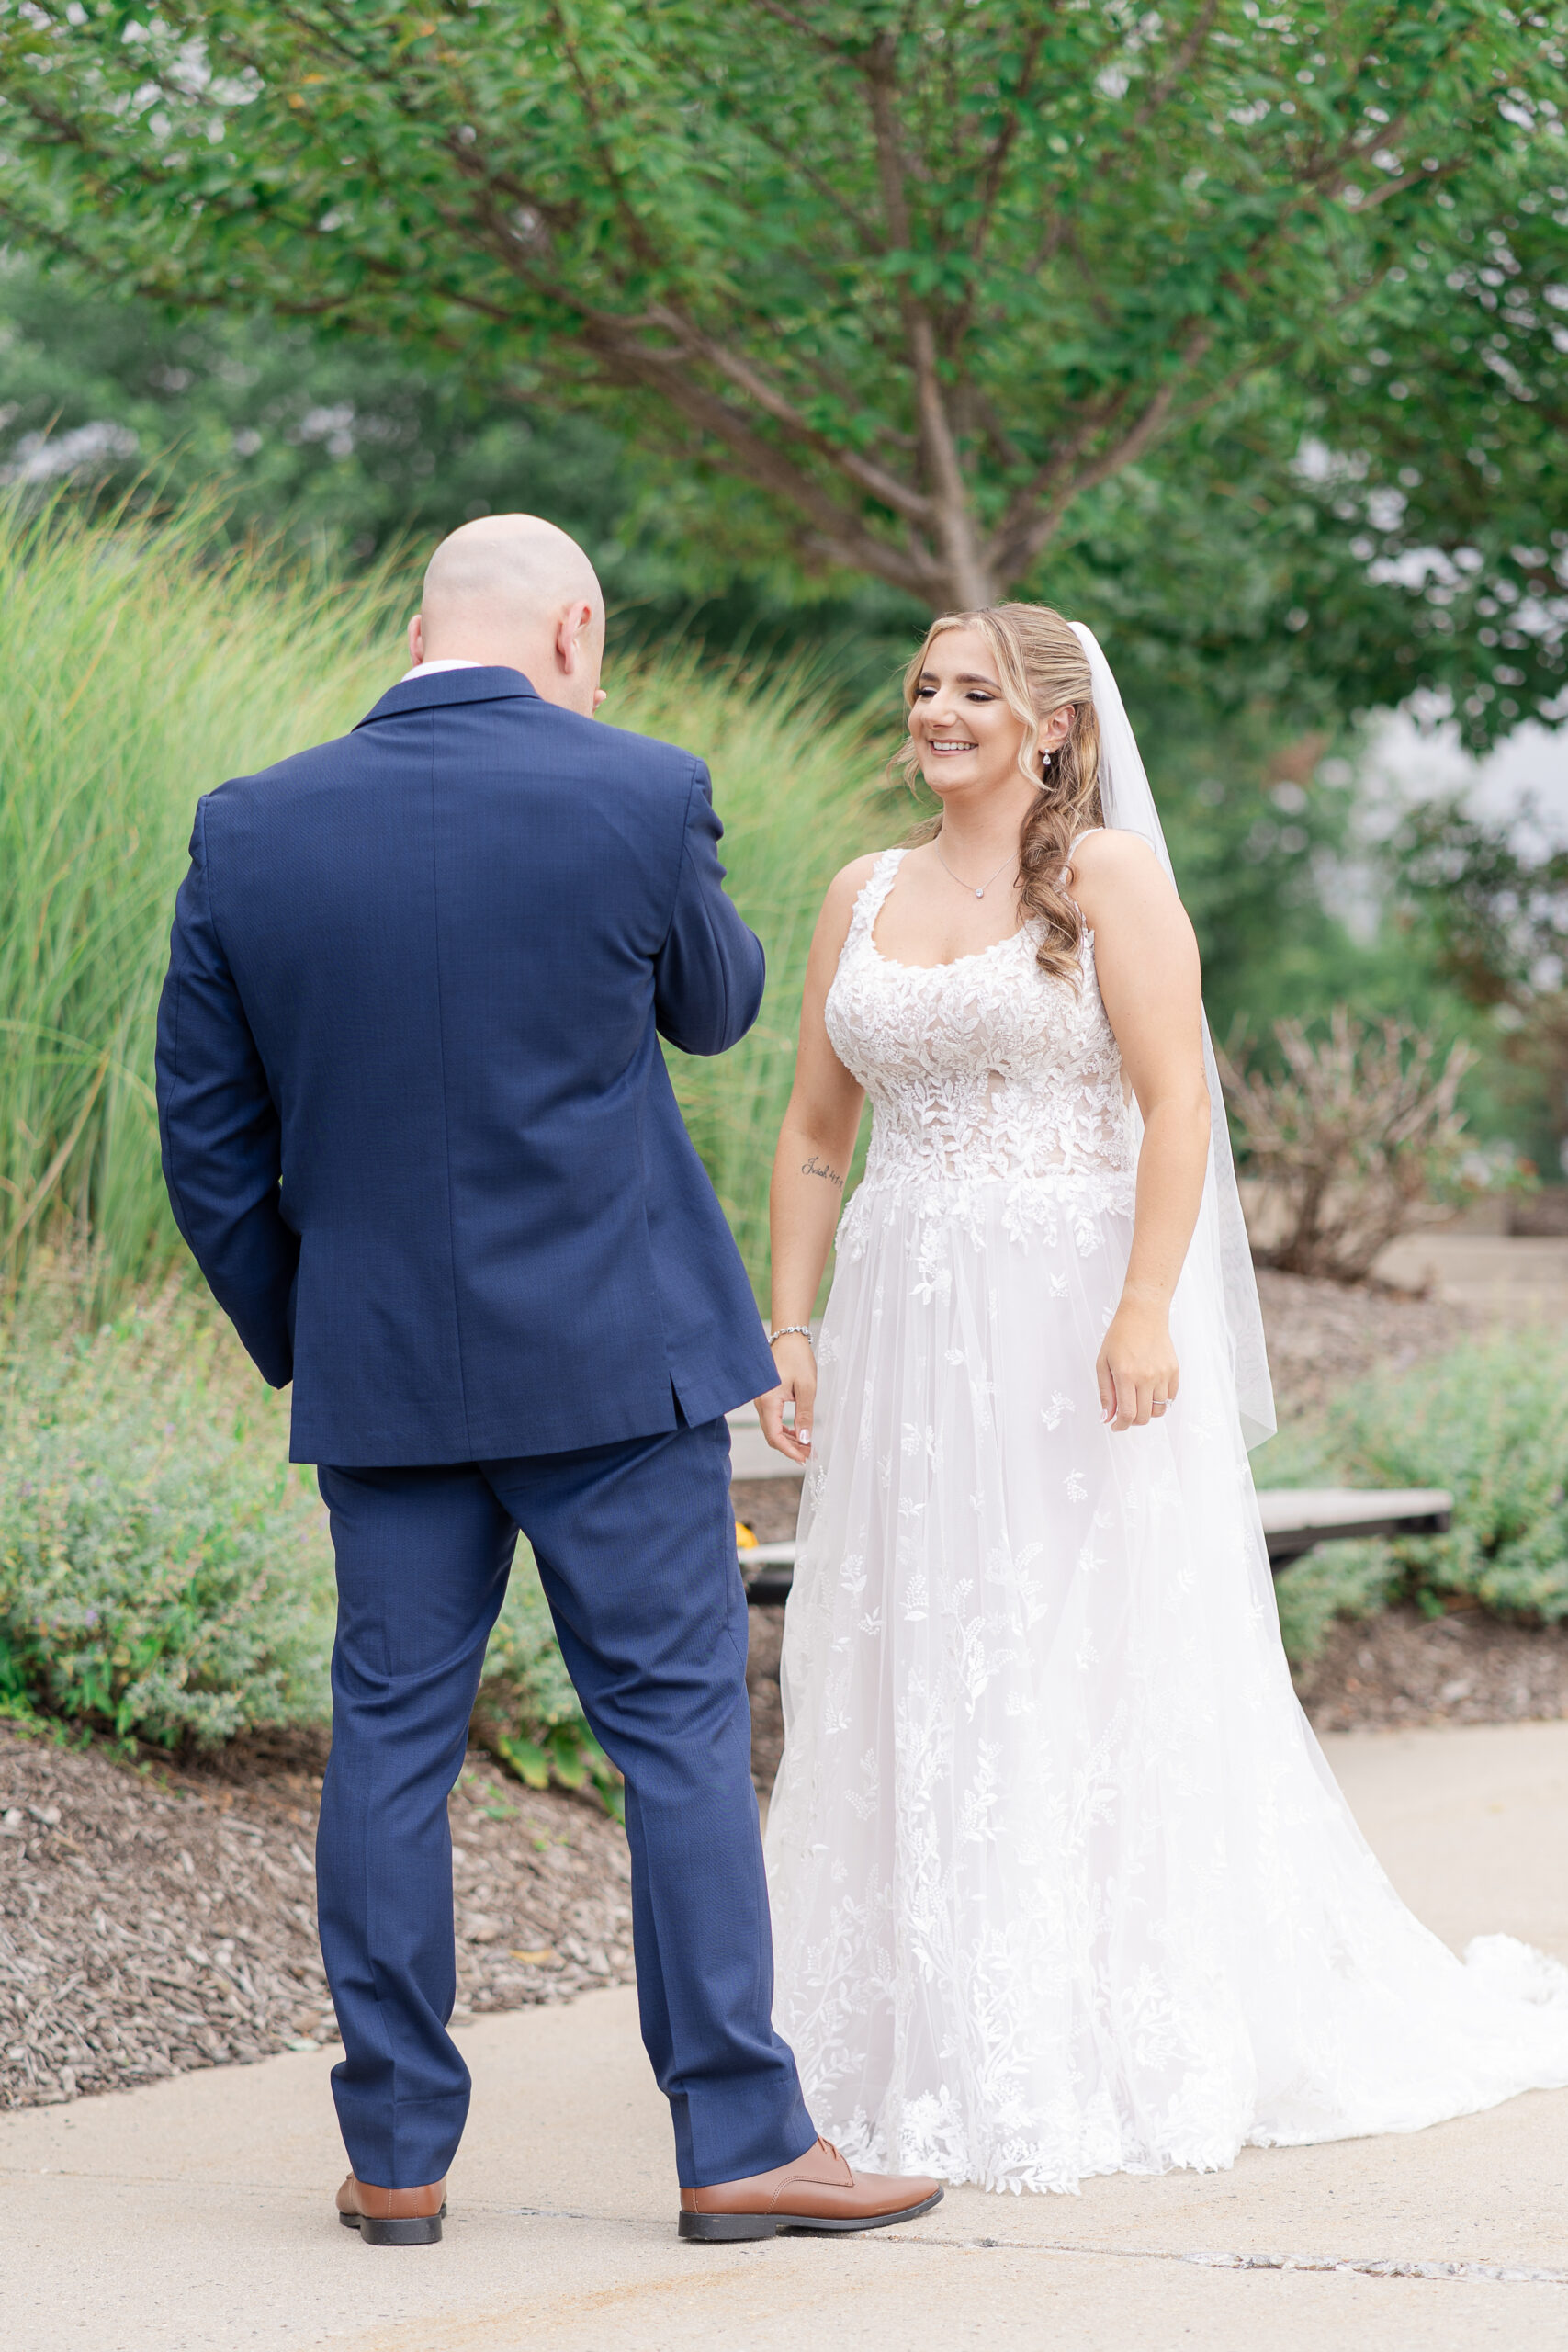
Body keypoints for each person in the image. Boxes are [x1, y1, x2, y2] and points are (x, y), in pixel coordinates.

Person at [154, 515, 940, 2245]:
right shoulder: (636, 790)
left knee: (388, 1750)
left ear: (415, 629)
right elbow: (721, 1008)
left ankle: (396, 2158)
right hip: (619, 1371)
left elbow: (206, 1152)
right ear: (573, 629)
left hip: (385, 1384)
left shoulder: (249, 826)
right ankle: (738, 2143)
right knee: (675, 1736)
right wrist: (635, 809)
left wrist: (320, 1334)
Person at [758, 600, 1568, 2196]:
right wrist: (790, 1328)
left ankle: (1081, 2024)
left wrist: (1144, 1303)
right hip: (907, 1326)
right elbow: (809, 1134)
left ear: (1053, 726)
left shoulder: (1103, 878)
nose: (939, 710)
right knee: (916, 1636)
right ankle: (900, 2030)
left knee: (1074, 1637)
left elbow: (1176, 1095)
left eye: (976, 690)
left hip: (1067, 1316)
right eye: (926, 687)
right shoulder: (860, 892)